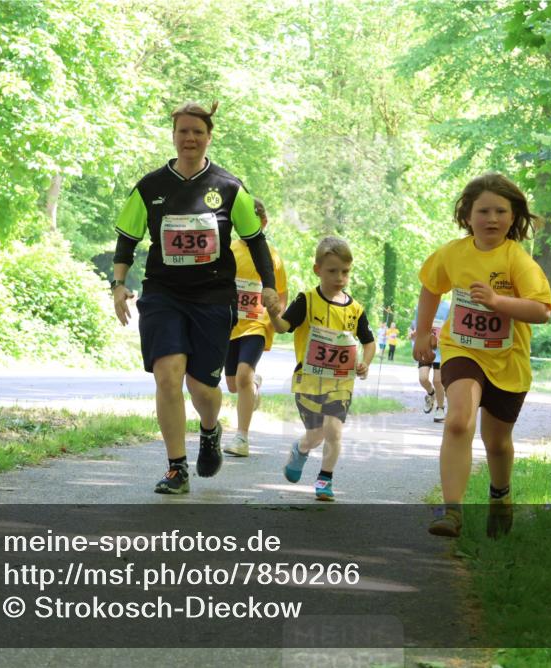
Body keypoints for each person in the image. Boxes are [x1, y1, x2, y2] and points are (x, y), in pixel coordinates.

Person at [111, 101, 280, 495]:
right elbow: (127, 239)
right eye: (183, 131)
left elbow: (256, 241)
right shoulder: (151, 187)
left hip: (212, 297)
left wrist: (269, 286)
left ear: (209, 137)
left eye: (197, 132)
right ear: (173, 135)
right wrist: (118, 284)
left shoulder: (229, 187)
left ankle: (209, 429)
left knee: (202, 389)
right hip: (163, 294)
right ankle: (176, 468)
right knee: (168, 377)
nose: (190, 138)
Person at [414, 173, 551, 538]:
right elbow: (430, 287)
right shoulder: (453, 253)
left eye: (501, 211)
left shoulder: (516, 259)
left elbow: (542, 310)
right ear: (467, 215)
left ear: (513, 216)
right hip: (461, 349)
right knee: (459, 420)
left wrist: (496, 301)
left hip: (508, 358)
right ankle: (452, 511)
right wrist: (423, 334)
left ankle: (500, 496)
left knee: (497, 442)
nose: (492, 219)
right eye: (483, 211)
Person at [268, 236, 375, 502]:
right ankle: (301, 449)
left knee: (333, 431)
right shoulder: (306, 300)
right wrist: (272, 315)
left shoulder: (356, 310)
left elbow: (369, 342)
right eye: (332, 271)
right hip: (308, 383)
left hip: (340, 384)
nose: (340, 277)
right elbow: (283, 327)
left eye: (345, 272)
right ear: (317, 270)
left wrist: (365, 362)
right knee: (316, 435)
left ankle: (325, 480)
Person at [223, 199, 288, 457]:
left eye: (253, 220)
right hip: (230, 324)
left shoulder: (272, 255)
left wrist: (276, 317)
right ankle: (254, 385)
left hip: (257, 323)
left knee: (242, 376)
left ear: (263, 222)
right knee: (232, 384)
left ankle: (242, 438)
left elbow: (280, 292)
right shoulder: (229, 249)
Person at [412, 301, 451, 422]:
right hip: (425, 347)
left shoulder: (447, 307)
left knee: (438, 380)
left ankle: (440, 409)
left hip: (441, 349)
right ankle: (431, 394)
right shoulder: (421, 305)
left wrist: (443, 338)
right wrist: (414, 333)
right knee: (423, 378)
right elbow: (415, 325)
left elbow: (451, 326)